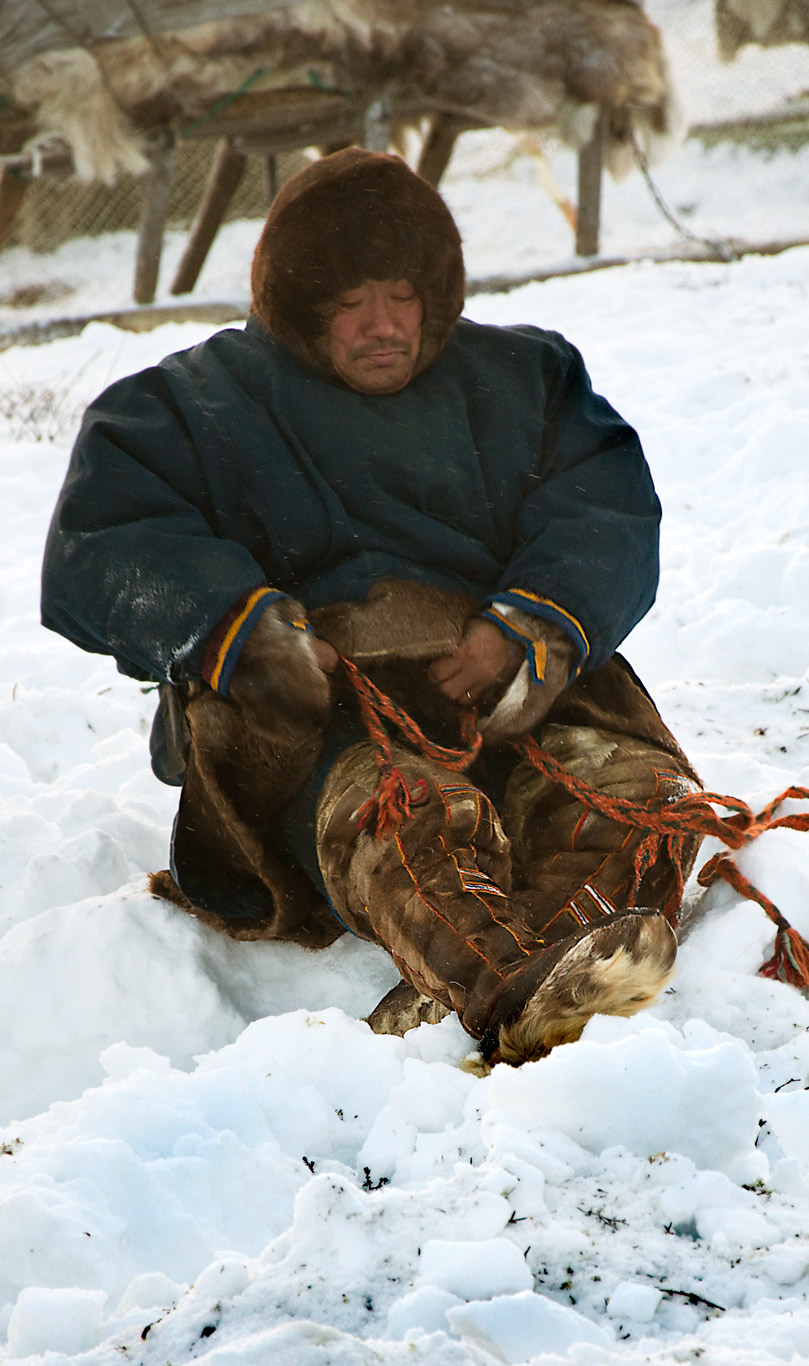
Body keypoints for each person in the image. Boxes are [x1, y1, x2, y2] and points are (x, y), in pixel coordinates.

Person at [41, 148, 703, 1066]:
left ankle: (545, 970)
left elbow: (603, 507)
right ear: (301, 306)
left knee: (639, 800)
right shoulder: (186, 408)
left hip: (507, 702)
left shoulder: (526, 378)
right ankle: (500, 985)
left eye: (399, 293)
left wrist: (533, 625)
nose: (380, 326)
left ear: (435, 290)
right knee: (404, 814)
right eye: (348, 303)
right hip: (318, 730)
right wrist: (244, 632)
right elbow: (103, 545)